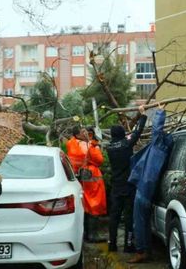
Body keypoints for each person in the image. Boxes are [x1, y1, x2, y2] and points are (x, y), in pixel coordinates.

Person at [127, 104, 173, 264]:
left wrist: (159, 112)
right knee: (144, 222)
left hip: (144, 190)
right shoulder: (162, 151)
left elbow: (157, 130)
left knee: (139, 222)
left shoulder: (159, 148)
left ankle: (141, 251)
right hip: (147, 189)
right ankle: (146, 251)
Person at [106, 105, 148, 253]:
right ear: (123, 133)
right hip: (129, 185)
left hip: (116, 187)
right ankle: (128, 245)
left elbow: (129, 136)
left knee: (114, 216)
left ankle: (112, 244)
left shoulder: (109, 147)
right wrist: (142, 115)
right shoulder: (126, 144)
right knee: (129, 217)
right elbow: (138, 132)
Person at [66, 126, 107, 242]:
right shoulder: (86, 145)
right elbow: (99, 160)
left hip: (80, 176)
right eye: (83, 132)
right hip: (91, 176)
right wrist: (95, 145)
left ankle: (85, 234)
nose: (86, 133)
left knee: (85, 204)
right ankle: (93, 235)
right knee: (94, 203)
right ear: (78, 135)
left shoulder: (71, 143)